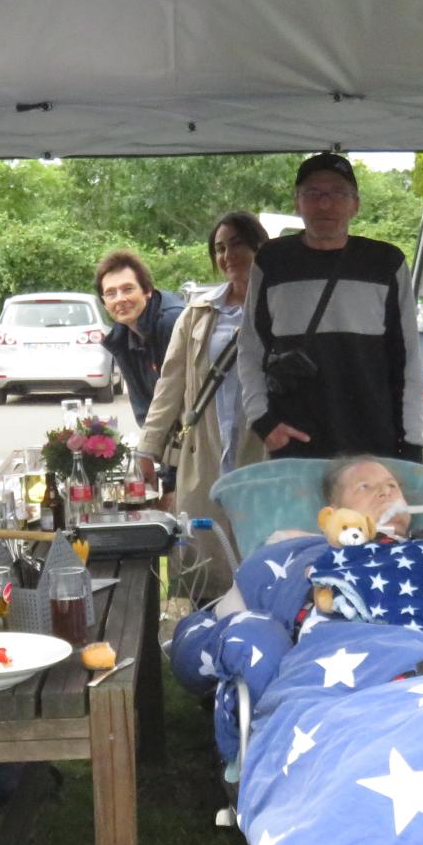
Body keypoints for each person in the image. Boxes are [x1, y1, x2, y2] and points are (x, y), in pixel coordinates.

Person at [237, 152, 423, 461]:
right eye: (313, 193)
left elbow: (408, 361)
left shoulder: (386, 263)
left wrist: (412, 442)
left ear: (355, 205)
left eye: (338, 193)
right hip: (295, 445)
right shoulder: (272, 261)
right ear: (297, 203)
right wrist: (263, 421)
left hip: (374, 446)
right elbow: (250, 349)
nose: (325, 204)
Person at [139, 212, 271, 596]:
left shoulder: (282, 305)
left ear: (259, 246)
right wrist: (147, 448)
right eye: (219, 248)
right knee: (205, 558)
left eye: (237, 244)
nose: (228, 255)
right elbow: (170, 384)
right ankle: (204, 621)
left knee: (263, 552)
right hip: (205, 449)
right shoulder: (197, 312)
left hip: (260, 448)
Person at [95, 249, 184, 426]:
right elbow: (144, 410)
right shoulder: (121, 338)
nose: (120, 299)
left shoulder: (171, 322)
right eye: (111, 293)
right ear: (104, 303)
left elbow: (177, 396)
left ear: (147, 290)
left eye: (127, 289)